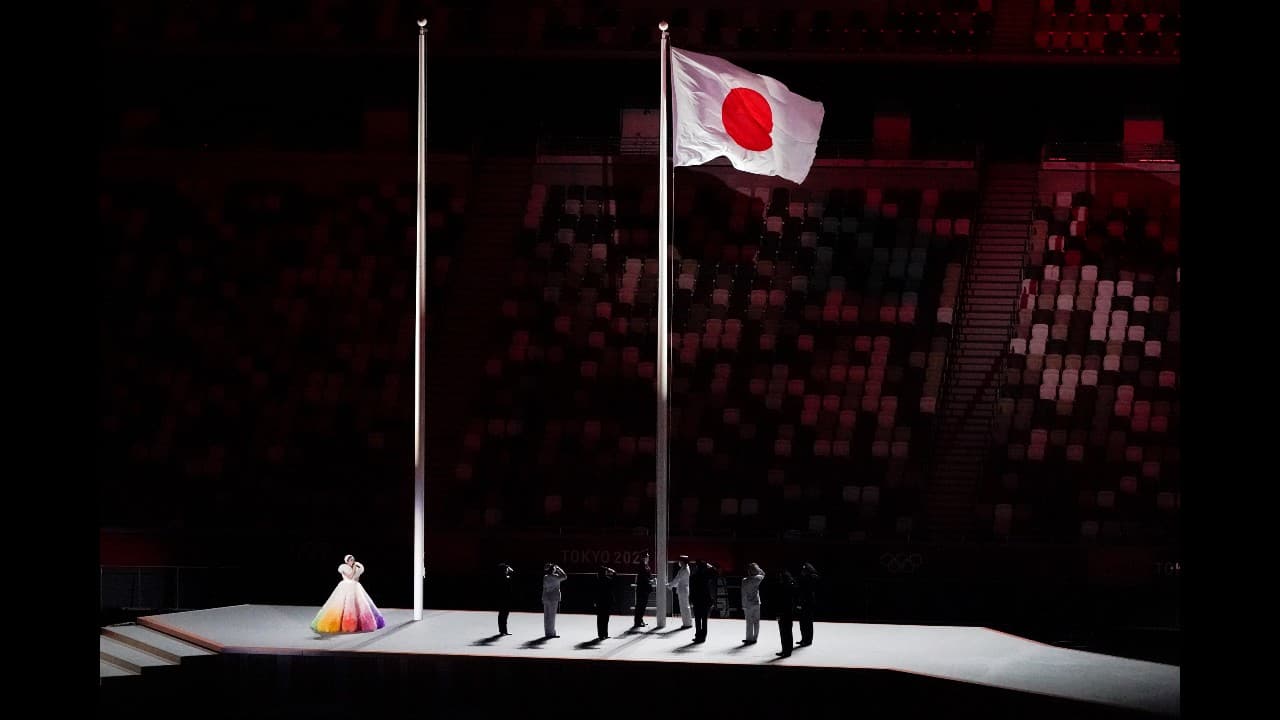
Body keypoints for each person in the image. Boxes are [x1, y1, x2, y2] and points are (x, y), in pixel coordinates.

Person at [311, 554, 386, 634]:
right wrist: (354, 569)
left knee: (358, 605)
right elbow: (350, 577)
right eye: (350, 560)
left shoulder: (356, 568)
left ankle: (359, 624)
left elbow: (356, 578)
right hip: (345, 586)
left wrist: (357, 571)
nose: (352, 561)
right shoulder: (343, 567)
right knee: (342, 605)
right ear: (347, 561)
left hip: (355, 586)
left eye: (353, 560)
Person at [690, 559, 718, 643]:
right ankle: (703, 637)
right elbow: (715, 571)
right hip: (705, 600)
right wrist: (709, 565)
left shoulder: (693, 576)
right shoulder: (707, 575)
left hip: (697, 600)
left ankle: (698, 635)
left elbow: (692, 590)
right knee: (704, 620)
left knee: (697, 620)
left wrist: (691, 600)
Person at [797, 562, 820, 646]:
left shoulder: (812, 577)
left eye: (804, 569)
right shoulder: (804, 577)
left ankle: (808, 640)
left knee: (808, 622)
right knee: (802, 622)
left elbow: (807, 591)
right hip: (803, 601)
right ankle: (804, 638)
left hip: (808, 602)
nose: (802, 571)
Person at [541, 562, 568, 638]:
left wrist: (542, 598)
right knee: (552, 616)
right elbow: (565, 576)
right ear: (553, 570)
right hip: (553, 598)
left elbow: (544, 589)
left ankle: (547, 632)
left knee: (546, 616)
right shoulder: (556, 577)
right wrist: (559, 568)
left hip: (546, 597)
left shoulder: (545, 577)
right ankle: (551, 633)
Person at [740, 562, 765, 644]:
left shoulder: (744, 580)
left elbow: (743, 594)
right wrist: (757, 568)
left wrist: (743, 605)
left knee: (749, 622)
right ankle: (755, 638)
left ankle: (749, 638)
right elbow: (763, 573)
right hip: (756, 603)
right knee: (756, 621)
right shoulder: (757, 579)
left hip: (748, 604)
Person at [774, 570, 796, 657]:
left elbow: (780, 602)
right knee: (788, 632)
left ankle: (785, 650)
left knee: (784, 632)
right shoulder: (791, 585)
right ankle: (788, 650)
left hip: (783, 613)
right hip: (789, 612)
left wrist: (778, 614)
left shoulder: (783, 587)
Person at [667, 555, 692, 629]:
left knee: (684, 608)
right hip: (684, 590)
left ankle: (687, 624)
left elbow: (677, 579)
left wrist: (670, 585)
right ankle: (688, 623)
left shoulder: (684, 570)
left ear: (683, 562)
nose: (679, 562)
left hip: (683, 591)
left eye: (680, 561)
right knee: (686, 607)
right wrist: (671, 585)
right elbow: (678, 581)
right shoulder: (685, 568)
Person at [594, 566, 617, 640]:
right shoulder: (608, 580)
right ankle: (605, 634)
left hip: (600, 601)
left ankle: (601, 634)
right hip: (607, 601)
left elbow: (595, 592)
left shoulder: (597, 580)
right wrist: (611, 570)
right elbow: (615, 576)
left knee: (600, 618)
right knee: (606, 618)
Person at [633, 551, 653, 628]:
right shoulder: (642, 566)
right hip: (642, 588)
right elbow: (643, 578)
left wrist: (651, 579)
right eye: (647, 556)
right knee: (640, 605)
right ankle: (637, 621)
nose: (648, 558)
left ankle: (640, 620)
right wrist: (650, 580)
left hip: (645, 588)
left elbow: (648, 576)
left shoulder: (646, 565)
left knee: (643, 605)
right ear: (644, 557)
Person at [496, 562, 514, 635]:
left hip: (502, 597)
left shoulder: (500, 577)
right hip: (505, 598)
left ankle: (502, 630)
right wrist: (510, 569)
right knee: (504, 614)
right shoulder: (506, 577)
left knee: (502, 614)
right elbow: (513, 573)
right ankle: (503, 630)